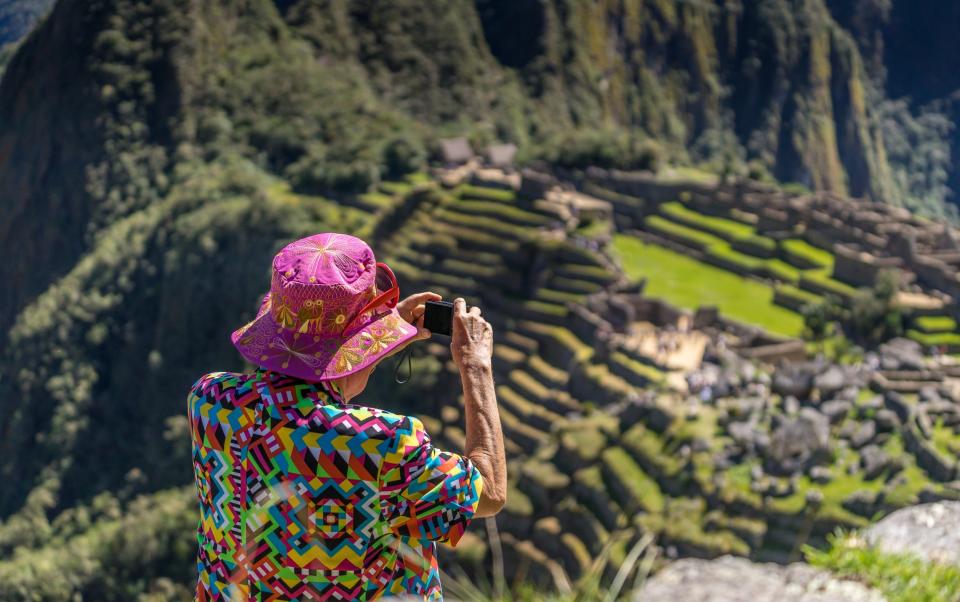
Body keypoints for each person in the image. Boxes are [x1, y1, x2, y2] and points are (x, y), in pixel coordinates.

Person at [188, 233, 506, 600]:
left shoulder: (212, 403)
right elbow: (490, 492)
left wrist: (374, 341)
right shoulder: (385, 445)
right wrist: (476, 365)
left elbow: (306, 409)